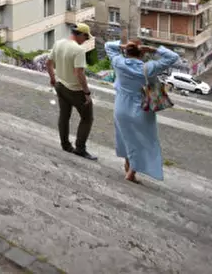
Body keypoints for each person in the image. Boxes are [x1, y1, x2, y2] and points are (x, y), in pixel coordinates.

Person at [105, 38, 179, 183]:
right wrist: (153, 49)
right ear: (142, 53)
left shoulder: (118, 63)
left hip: (121, 107)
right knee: (144, 142)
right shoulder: (148, 68)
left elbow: (108, 45)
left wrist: (124, 46)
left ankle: (128, 167)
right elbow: (173, 57)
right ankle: (131, 172)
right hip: (142, 109)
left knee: (125, 138)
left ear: (127, 51)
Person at [47, 23, 97, 160]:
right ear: (81, 34)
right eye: (86, 38)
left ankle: (65, 144)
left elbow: (48, 63)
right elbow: (79, 73)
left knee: (64, 115)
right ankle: (80, 148)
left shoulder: (58, 43)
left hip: (60, 85)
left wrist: (52, 79)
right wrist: (86, 93)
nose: (85, 41)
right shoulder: (79, 50)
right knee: (87, 118)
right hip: (75, 90)